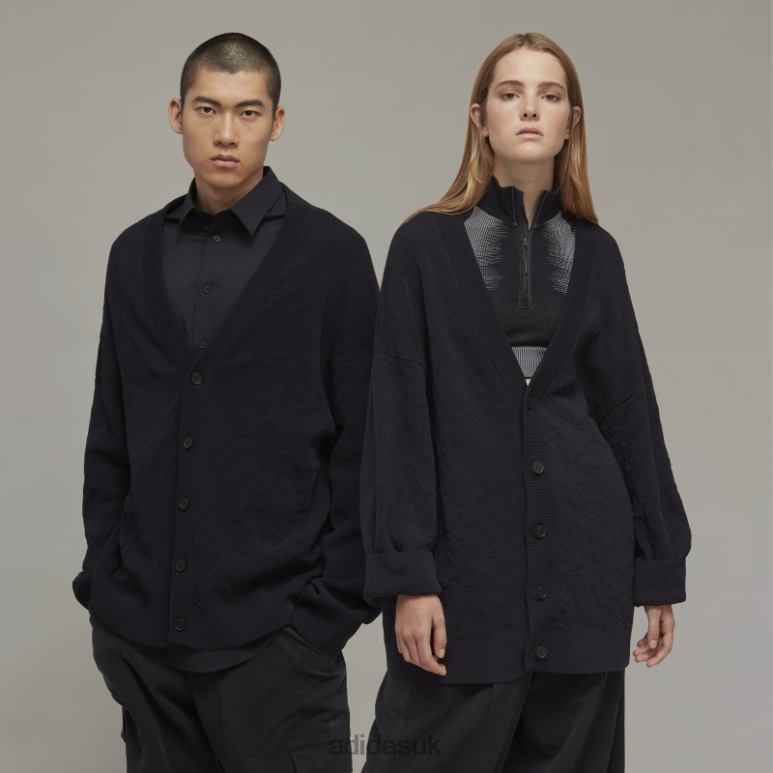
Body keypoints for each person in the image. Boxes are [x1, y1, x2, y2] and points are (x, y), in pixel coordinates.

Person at [359, 31, 692, 773]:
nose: (530, 109)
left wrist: (656, 566)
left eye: (549, 95)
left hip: (583, 572)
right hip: (462, 576)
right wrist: (408, 575)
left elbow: (628, 411)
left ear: (572, 122)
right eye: (510, 94)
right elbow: (398, 417)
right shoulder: (422, 247)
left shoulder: (597, 253)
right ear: (480, 119)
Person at [73, 32, 379, 773]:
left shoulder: (332, 256)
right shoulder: (132, 255)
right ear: (176, 114)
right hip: (146, 642)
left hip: (279, 643)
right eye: (208, 109)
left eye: (248, 112)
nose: (226, 133)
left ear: (277, 122)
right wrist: (107, 586)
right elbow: (112, 429)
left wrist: (327, 615)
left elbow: (368, 445)